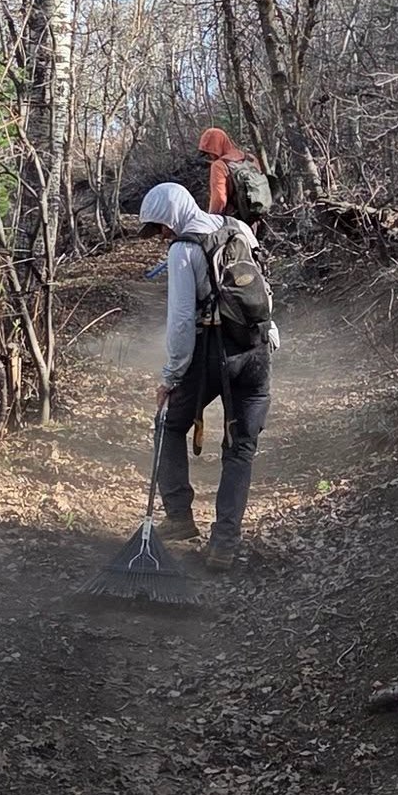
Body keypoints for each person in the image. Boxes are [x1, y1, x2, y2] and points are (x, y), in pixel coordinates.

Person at [137, 180, 272, 572]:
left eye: (161, 226)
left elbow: (181, 322)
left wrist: (170, 377)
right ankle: (224, 544)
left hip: (214, 352)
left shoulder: (184, 249)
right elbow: (261, 286)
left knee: (167, 424)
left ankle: (179, 516)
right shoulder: (238, 227)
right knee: (240, 447)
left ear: (173, 216)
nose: (162, 234)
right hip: (257, 349)